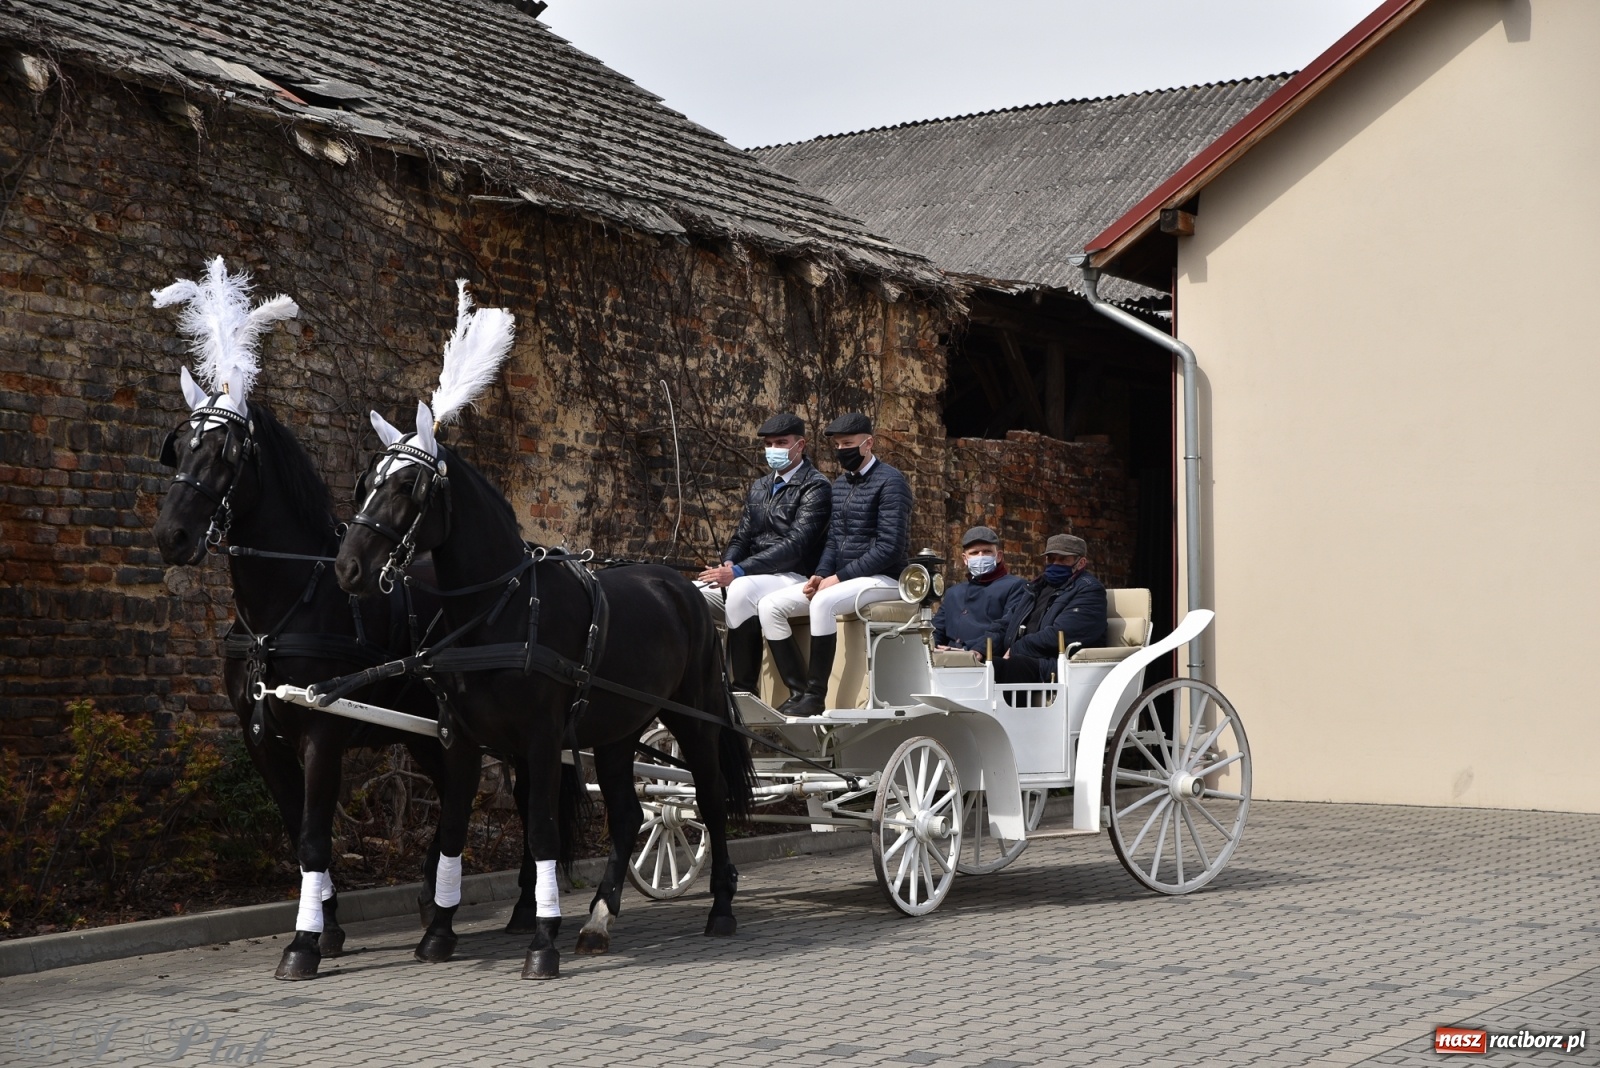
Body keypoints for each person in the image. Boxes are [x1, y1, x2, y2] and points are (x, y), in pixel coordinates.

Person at [757, 412, 912, 717]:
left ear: (869, 443)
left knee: (823, 602)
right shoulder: (839, 485)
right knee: (769, 606)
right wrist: (820, 574)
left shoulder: (892, 482)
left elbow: (890, 548)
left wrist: (838, 578)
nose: (842, 450)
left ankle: (816, 696)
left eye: (848, 444)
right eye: (838, 445)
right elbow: (833, 541)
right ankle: (797, 691)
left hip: (886, 578)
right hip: (844, 579)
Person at [697, 412, 831, 694]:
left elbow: (796, 545)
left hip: (794, 574)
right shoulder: (760, 486)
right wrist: (730, 561)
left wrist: (739, 571)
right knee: (690, 593)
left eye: (781, 443)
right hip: (755, 574)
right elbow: (742, 536)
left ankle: (743, 689)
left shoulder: (816, 486)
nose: (773, 450)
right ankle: (703, 683)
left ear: (800, 445)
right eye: (768, 444)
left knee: (741, 588)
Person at [994, 533, 1108, 683]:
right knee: (983, 666)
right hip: (1024, 658)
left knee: (1014, 666)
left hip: (1059, 665)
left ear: (1081, 563)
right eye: (1051, 559)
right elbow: (1006, 623)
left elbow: (1060, 635)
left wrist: (1016, 649)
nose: (1055, 564)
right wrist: (979, 650)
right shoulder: (1036, 587)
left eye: (1063, 559)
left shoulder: (1089, 590)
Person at [932, 525, 1029, 662]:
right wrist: (930, 646)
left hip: (986, 661)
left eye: (987, 551)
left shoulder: (1015, 586)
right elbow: (936, 628)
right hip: (946, 660)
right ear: (965, 559)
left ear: (998, 556)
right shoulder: (953, 592)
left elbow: (1006, 627)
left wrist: (978, 650)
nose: (980, 556)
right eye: (974, 553)